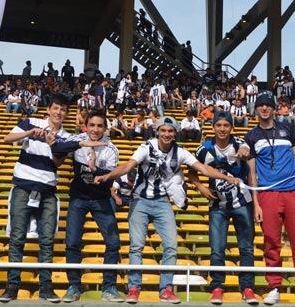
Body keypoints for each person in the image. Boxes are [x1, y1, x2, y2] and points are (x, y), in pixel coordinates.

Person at [94, 116, 240, 304]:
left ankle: (166, 288)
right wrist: (108, 176)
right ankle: (133, 288)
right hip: (140, 200)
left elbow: (202, 169)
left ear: (175, 133)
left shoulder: (180, 152)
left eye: (170, 131)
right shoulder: (147, 147)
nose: (167, 134)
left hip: (162, 201)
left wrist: (227, 178)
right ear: (157, 131)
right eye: (163, 130)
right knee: (136, 246)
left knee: (171, 245)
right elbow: (128, 166)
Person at [239, 93, 295, 306]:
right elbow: (252, 175)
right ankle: (274, 287)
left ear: (274, 108)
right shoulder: (251, 137)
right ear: (256, 109)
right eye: (261, 105)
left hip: (293, 191)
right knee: (271, 242)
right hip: (268, 194)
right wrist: (256, 204)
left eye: (268, 105)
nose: (265, 109)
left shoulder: (289, 129)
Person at [0, 94, 83, 303]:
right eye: (56, 108)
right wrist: (30, 133)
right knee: (17, 238)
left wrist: (53, 144)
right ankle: (12, 286)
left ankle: (46, 287)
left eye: (63, 109)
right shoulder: (31, 122)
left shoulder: (66, 136)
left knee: (47, 241)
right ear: (48, 109)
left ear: (66, 113)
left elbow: (57, 163)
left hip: (47, 191)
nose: (59, 112)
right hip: (22, 187)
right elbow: (7, 138)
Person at [189, 112, 259, 306]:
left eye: (226, 125)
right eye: (218, 125)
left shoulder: (239, 144)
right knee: (217, 249)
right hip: (217, 205)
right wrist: (201, 187)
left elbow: (247, 154)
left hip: (243, 203)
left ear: (231, 127)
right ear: (213, 127)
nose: (222, 129)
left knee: (246, 248)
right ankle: (218, 286)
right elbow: (191, 172)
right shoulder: (204, 149)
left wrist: (256, 203)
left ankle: (247, 287)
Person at [58, 111, 123, 303]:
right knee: (72, 242)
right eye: (92, 125)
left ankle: (109, 287)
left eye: (99, 126)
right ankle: (73, 286)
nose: (95, 129)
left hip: (101, 199)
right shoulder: (78, 139)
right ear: (85, 126)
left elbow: (108, 179)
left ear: (105, 128)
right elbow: (59, 149)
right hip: (78, 198)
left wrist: (95, 169)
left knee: (113, 243)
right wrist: (81, 144)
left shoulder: (112, 149)